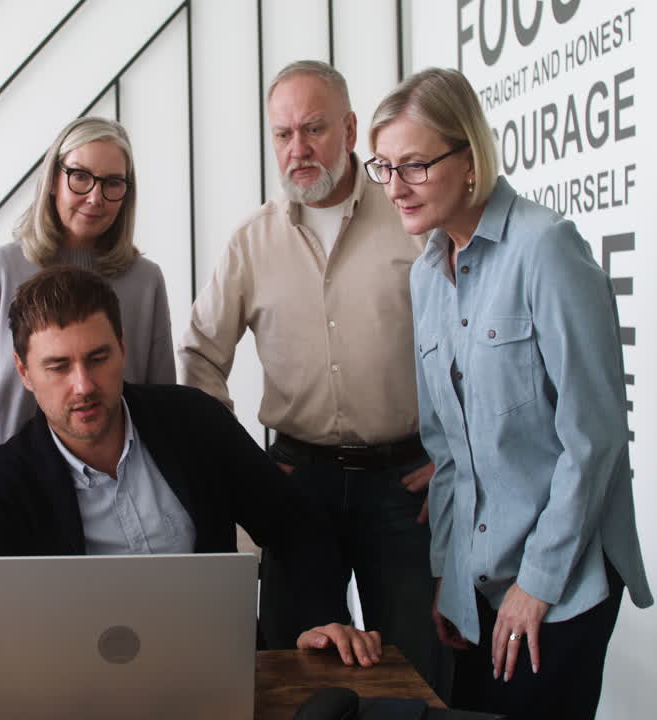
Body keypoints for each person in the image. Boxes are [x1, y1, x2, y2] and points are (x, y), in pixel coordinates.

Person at [0, 266, 380, 680]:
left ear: (123, 349)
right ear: (24, 373)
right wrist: (54, 636)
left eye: (98, 358)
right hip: (79, 693)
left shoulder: (194, 423)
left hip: (216, 678)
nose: (83, 385)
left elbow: (294, 523)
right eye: (58, 366)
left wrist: (320, 617)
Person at [366, 67, 653, 719]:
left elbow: (595, 438)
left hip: (564, 579)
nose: (394, 188)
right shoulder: (424, 278)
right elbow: (446, 453)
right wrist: (450, 574)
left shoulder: (546, 248)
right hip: (481, 582)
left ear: (468, 158)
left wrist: (538, 585)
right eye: (382, 167)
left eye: (412, 165)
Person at [178, 60, 443, 689]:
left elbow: (463, 345)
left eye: (314, 129)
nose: (297, 149)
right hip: (297, 485)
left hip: (403, 487)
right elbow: (197, 358)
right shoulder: (252, 241)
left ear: (350, 129)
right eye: (282, 134)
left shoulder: (409, 218)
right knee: (300, 674)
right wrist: (242, 468)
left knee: (412, 674)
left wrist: (455, 454)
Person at [0, 116, 175, 495]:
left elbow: (162, 402)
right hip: (12, 490)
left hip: (116, 490)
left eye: (112, 183)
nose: (95, 197)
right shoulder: (1, 269)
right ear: (54, 180)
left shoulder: (145, 280)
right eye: (80, 176)